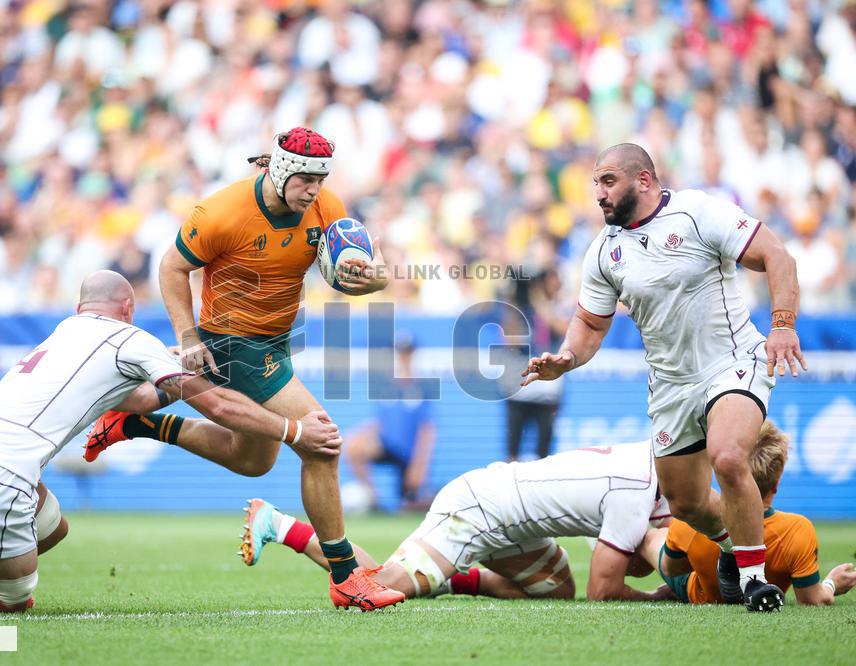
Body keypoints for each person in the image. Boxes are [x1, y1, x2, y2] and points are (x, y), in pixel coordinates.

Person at [0, 270, 342, 615]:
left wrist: (170, 369)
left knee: (53, 527)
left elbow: (137, 397)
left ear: (80, 307)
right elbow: (217, 406)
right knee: (5, 604)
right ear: (128, 310)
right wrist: (296, 431)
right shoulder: (130, 338)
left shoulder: (65, 331)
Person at [84, 128, 402, 611]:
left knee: (252, 461)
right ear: (280, 170)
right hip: (232, 342)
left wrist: (374, 279)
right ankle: (346, 577)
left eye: (320, 180)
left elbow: (350, 277)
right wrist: (188, 337)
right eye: (305, 179)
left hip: (274, 342)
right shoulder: (223, 211)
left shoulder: (326, 208)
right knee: (322, 441)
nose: (314, 190)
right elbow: (171, 268)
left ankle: (139, 422)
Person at [522, 143, 807, 612]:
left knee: (728, 456)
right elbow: (590, 324)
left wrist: (782, 325)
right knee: (685, 501)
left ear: (644, 180)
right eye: (595, 183)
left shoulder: (698, 212)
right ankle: (735, 548)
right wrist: (566, 359)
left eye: (608, 181)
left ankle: (755, 580)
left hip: (732, 360)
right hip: (671, 385)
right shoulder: (604, 251)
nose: (598, 193)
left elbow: (778, 257)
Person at [240, 441, 673, 603]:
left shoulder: (645, 461)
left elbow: (633, 561)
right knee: (376, 584)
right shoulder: (638, 486)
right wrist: (660, 594)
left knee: (556, 589)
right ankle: (279, 524)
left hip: (515, 518)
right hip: (480, 509)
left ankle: (449, 578)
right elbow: (605, 589)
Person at [638, 421, 856, 606]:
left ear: (724, 471)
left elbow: (672, 569)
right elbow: (812, 599)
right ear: (777, 482)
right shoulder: (797, 529)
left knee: (652, 538)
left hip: (700, 593)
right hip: (761, 591)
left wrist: (704, 559)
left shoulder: (694, 520)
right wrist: (832, 583)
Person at [343, 332, 436, 511]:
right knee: (354, 447)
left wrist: (419, 466)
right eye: (399, 352)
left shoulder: (421, 389)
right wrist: (356, 436)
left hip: (409, 454)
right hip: (389, 447)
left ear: (413, 355)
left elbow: (427, 430)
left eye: (406, 353)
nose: (402, 357)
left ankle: (423, 497)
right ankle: (373, 500)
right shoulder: (387, 387)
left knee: (410, 507)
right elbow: (379, 422)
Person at [502, 267, 569, 461]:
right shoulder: (519, 312)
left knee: (544, 453)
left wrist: (539, 301)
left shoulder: (557, 307)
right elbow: (511, 340)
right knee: (513, 451)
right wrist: (513, 303)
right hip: (519, 389)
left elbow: (562, 329)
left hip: (547, 391)